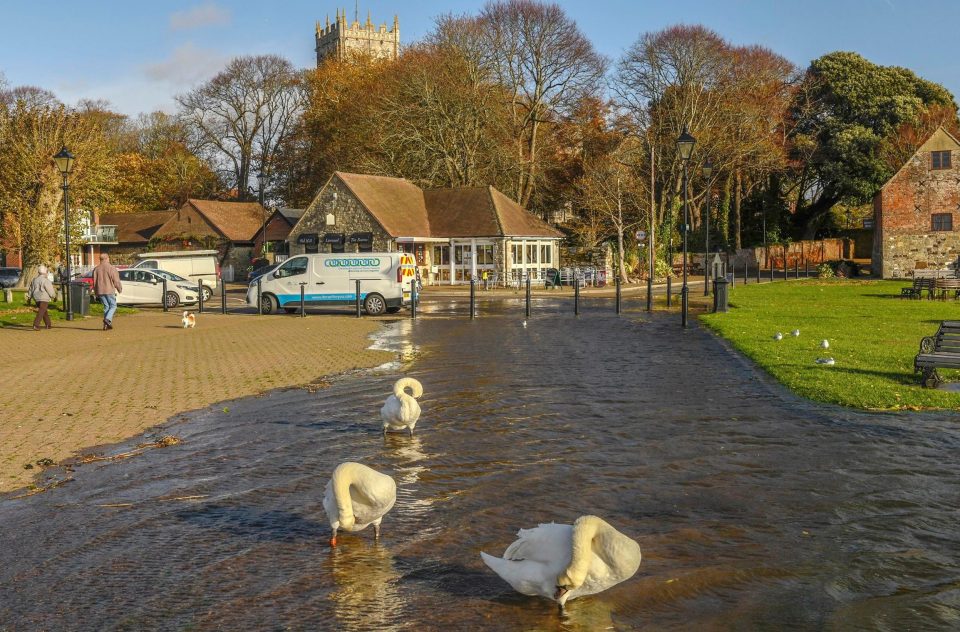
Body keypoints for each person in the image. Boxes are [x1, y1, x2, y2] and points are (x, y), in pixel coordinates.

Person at [92, 253, 123, 330]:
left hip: (100, 291)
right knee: (113, 306)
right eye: (108, 258)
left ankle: (106, 325)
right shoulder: (111, 268)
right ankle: (107, 319)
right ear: (106, 259)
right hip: (109, 290)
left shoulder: (96, 269)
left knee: (106, 307)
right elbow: (116, 281)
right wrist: (119, 289)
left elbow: (94, 282)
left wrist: (96, 292)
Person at [29, 265, 57, 331]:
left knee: (44, 311)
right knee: (41, 311)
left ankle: (48, 324)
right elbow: (50, 290)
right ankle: (36, 325)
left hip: (36, 298)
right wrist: (54, 296)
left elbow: (31, 289)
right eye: (47, 272)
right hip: (44, 298)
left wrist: (29, 296)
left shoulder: (34, 280)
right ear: (45, 272)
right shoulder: (46, 280)